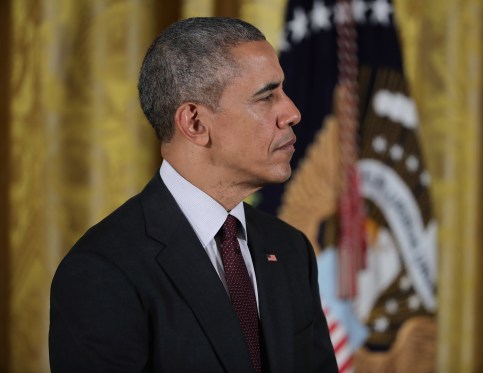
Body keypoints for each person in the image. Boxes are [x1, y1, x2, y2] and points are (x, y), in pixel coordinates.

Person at [49, 17, 338, 373]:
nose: (292, 112)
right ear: (195, 124)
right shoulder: (103, 271)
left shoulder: (292, 249)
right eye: (266, 97)